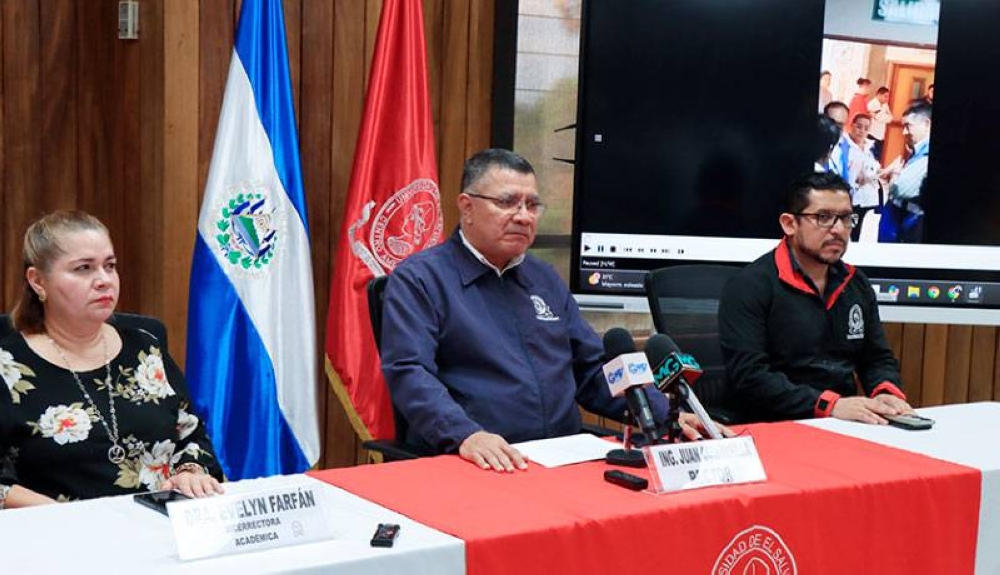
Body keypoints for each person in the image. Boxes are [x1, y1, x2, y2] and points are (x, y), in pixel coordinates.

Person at [381, 149, 725, 472]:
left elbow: (592, 369)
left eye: (532, 205)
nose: (523, 216)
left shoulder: (543, 278)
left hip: (562, 459)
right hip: (478, 459)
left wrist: (665, 414)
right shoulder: (420, 280)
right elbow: (410, 371)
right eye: (507, 202)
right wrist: (465, 435)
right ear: (466, 207)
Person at [0, 211, 222, 509]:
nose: (104, 280)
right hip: (59, 539)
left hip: (158, 529)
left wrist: (190, 472)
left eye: (110, 266)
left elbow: (191, 433)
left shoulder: (146, 346)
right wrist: (57, 515)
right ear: (38, 281)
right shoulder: (8, 366)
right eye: (83, 268)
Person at [718, 171, 914, 424]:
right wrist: (829, 405)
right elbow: (750, 376)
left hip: (844, 422)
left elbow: (876, 358)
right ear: (789, 224)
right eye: (823, 218)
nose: (839, 230)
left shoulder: (856, 283)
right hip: (772, 425)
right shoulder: (750, 285)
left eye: (845, 218)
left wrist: (885, 392)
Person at [879, 102, 931, 243]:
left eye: (908, 126)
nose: (904, 132)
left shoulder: (926, 153)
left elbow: (899, 189)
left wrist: (895, 174)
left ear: (926, 124)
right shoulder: (917, 151)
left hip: (907, 219)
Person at [844, 113, 881, 241]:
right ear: (852, 125)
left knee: (857, 228)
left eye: (866, 128)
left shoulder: (871, 146)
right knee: (849, 227)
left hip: (865, 196)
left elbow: (874, 168)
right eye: (859, 127)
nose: (862, 131)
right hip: (850, 196)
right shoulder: (844, 145)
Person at [866, 86, 893, 162]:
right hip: (872, 134)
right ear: (879, 95)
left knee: (878, 158)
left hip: (880, 136)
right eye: (885, 96)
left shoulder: (885, 105)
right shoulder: (872, 104)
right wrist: (882, 117)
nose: (887, 99)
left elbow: (890, 118)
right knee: (870, 157)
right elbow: (881, 118)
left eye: (888, 97)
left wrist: (880, 116)